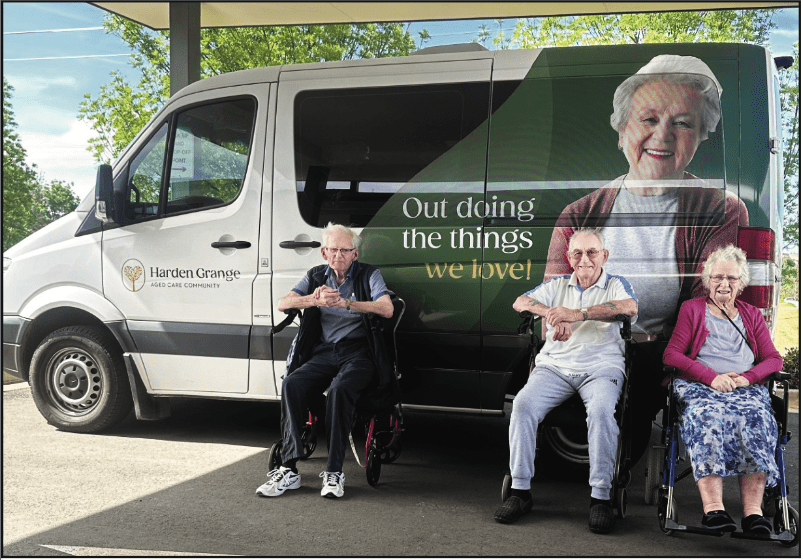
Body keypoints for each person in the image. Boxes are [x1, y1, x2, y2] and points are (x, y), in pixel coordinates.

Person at [545, 54, 749, 434]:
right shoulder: (578, 215)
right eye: (649, 119)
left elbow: (703, 310)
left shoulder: (721, 210)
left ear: (701, 136)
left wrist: (647, 350)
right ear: (622, 131)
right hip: (585, 350)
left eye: (683, 123)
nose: (663, 135)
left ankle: (609, 481)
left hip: (655, 359)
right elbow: (555, 303)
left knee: (627, 418)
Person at [496, 229, 637, 533]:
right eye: (577, 253)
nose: (584, 259)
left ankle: (601, 497)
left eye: (592, 252)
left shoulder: (615, 284)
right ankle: (520, 491)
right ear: (568, 257)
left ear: (604, 256)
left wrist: (576, 314)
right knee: (521, 406)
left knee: (601, 413)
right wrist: (552, 315)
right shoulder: (557, 284)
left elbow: (629, 308)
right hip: (555, 367)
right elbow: (520, 302)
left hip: (601, 368)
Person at [255, 223, 394, 499]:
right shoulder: (316, 275)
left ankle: (334, 472)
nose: (338, 255)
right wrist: (313, 299)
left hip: (359, 352)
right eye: (333, 250)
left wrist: (346, 304)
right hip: (325, 351)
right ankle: (289, 468)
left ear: (355, 253)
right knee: (292, 383)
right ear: (323, 252)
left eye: (345, 250)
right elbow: (283, 303)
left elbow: (387, 308)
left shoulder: (369, 274)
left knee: (340, 390)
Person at [663, 245, 783, 534]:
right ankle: (713, 510)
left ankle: (753, 514)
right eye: (717, 277)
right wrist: (710, 377)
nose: (724, 284)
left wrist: (746, 378)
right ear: (707, 280)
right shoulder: (692, 309)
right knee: (707, 415)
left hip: (744, 388)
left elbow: (774, 358)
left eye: (731, 279)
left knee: (756, 418)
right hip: (701, 387)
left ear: (741, 284)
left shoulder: (752, 315)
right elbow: (672, 355)